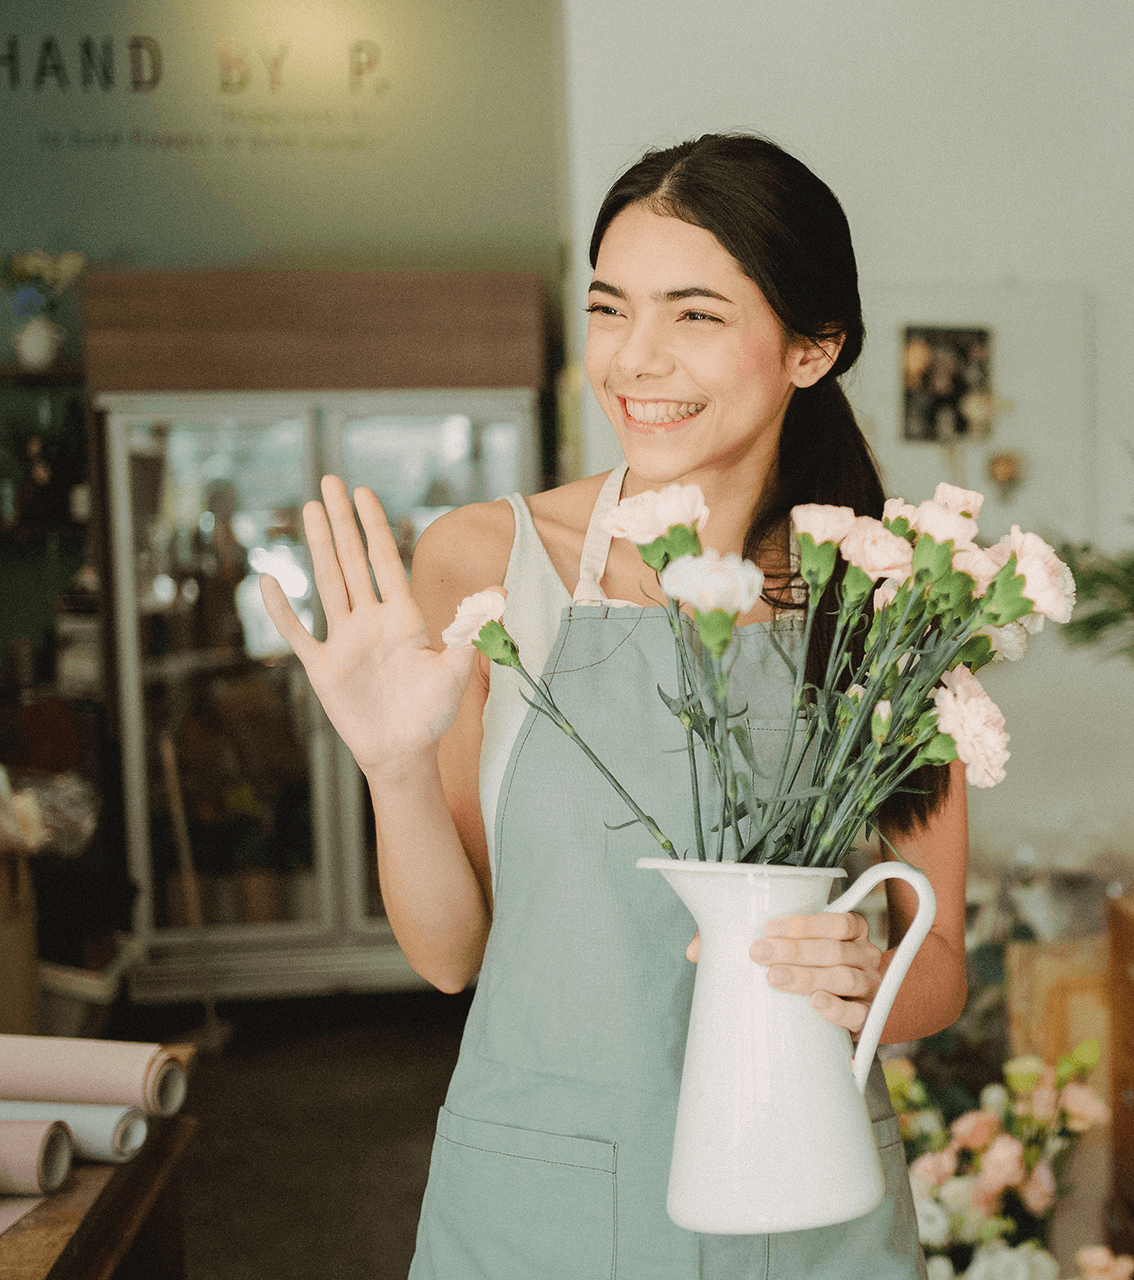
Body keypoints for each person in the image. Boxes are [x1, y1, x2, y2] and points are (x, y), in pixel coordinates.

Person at [261, 133, 967, 1277]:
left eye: (694, 314)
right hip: (536, 1197)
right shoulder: (491, 558)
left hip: (805, 1203)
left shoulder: (891, 591)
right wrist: (393, 767)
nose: (637, 359)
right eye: (610, 308)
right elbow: (451, 954)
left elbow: (938, 973)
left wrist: (858, 968)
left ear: (812, 346)